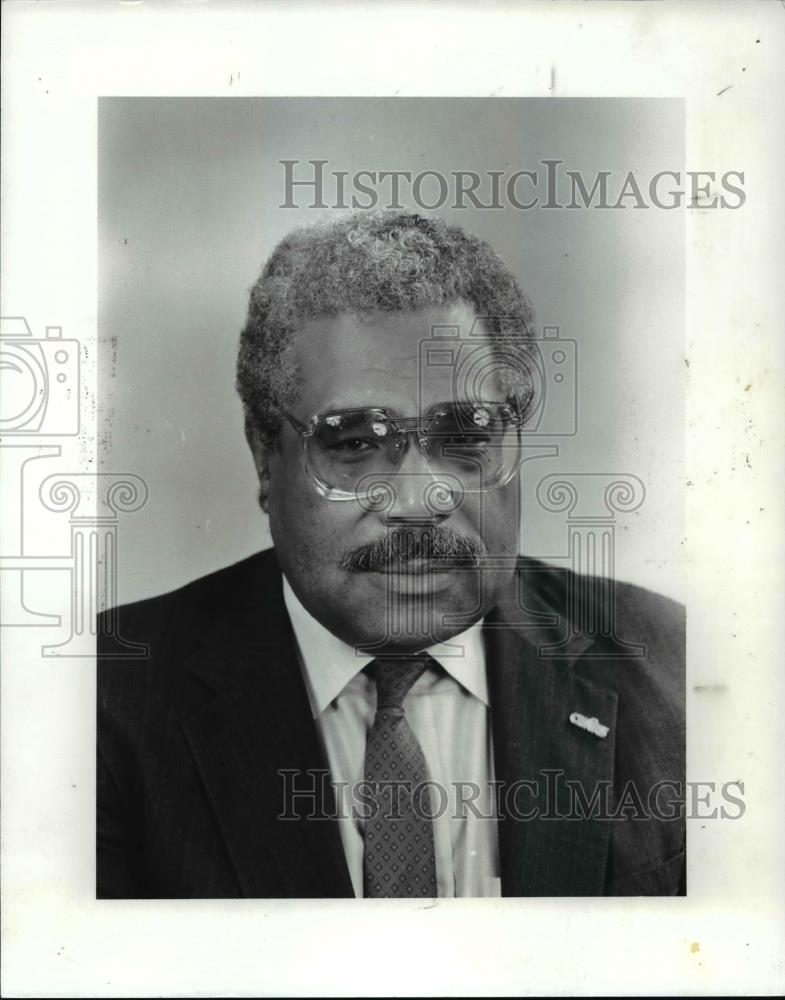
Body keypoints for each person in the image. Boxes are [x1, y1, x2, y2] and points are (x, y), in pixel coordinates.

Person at [98, 210, 685, 898]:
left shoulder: (669, 662)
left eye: (465, 434)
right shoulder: (102, 703)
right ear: (266, 459)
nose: (418, 499)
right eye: (353, 443)